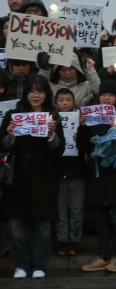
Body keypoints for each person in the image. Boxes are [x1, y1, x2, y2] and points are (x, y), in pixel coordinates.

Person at [0, 75, 64, 279]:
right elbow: (3, 145)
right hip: (17, 177)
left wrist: (52, 135)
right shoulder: (13, 114)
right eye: (32, 91)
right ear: (26, 93)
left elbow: (59, 150)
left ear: (47, 94)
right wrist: (10, 135)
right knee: (17, 225)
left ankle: (39, 264)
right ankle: (21, 264)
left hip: (44, 177)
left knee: (43, 225)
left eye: (40, 91)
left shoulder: (53, 115)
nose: (35, 95)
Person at [78, 80, 116, 274]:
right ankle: (102, 256)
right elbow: (83, 147)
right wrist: (83, 127)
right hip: (97, 175)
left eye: (110, 95)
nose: (106, 98)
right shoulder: (91, 117)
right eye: (103, 94)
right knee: (100, 218)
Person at [54, 88, 86, 257]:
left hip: (77, 171)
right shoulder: (52, 119)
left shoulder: (80, 119)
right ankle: (62, 241)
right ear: (55, 103)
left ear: (73, 102)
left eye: (68, 99)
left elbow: (86, 145)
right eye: (61, 100)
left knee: (76, 210)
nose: (65, 102)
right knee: (60, 211)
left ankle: (75, 240)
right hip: (58, 172)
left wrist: (81, 131)